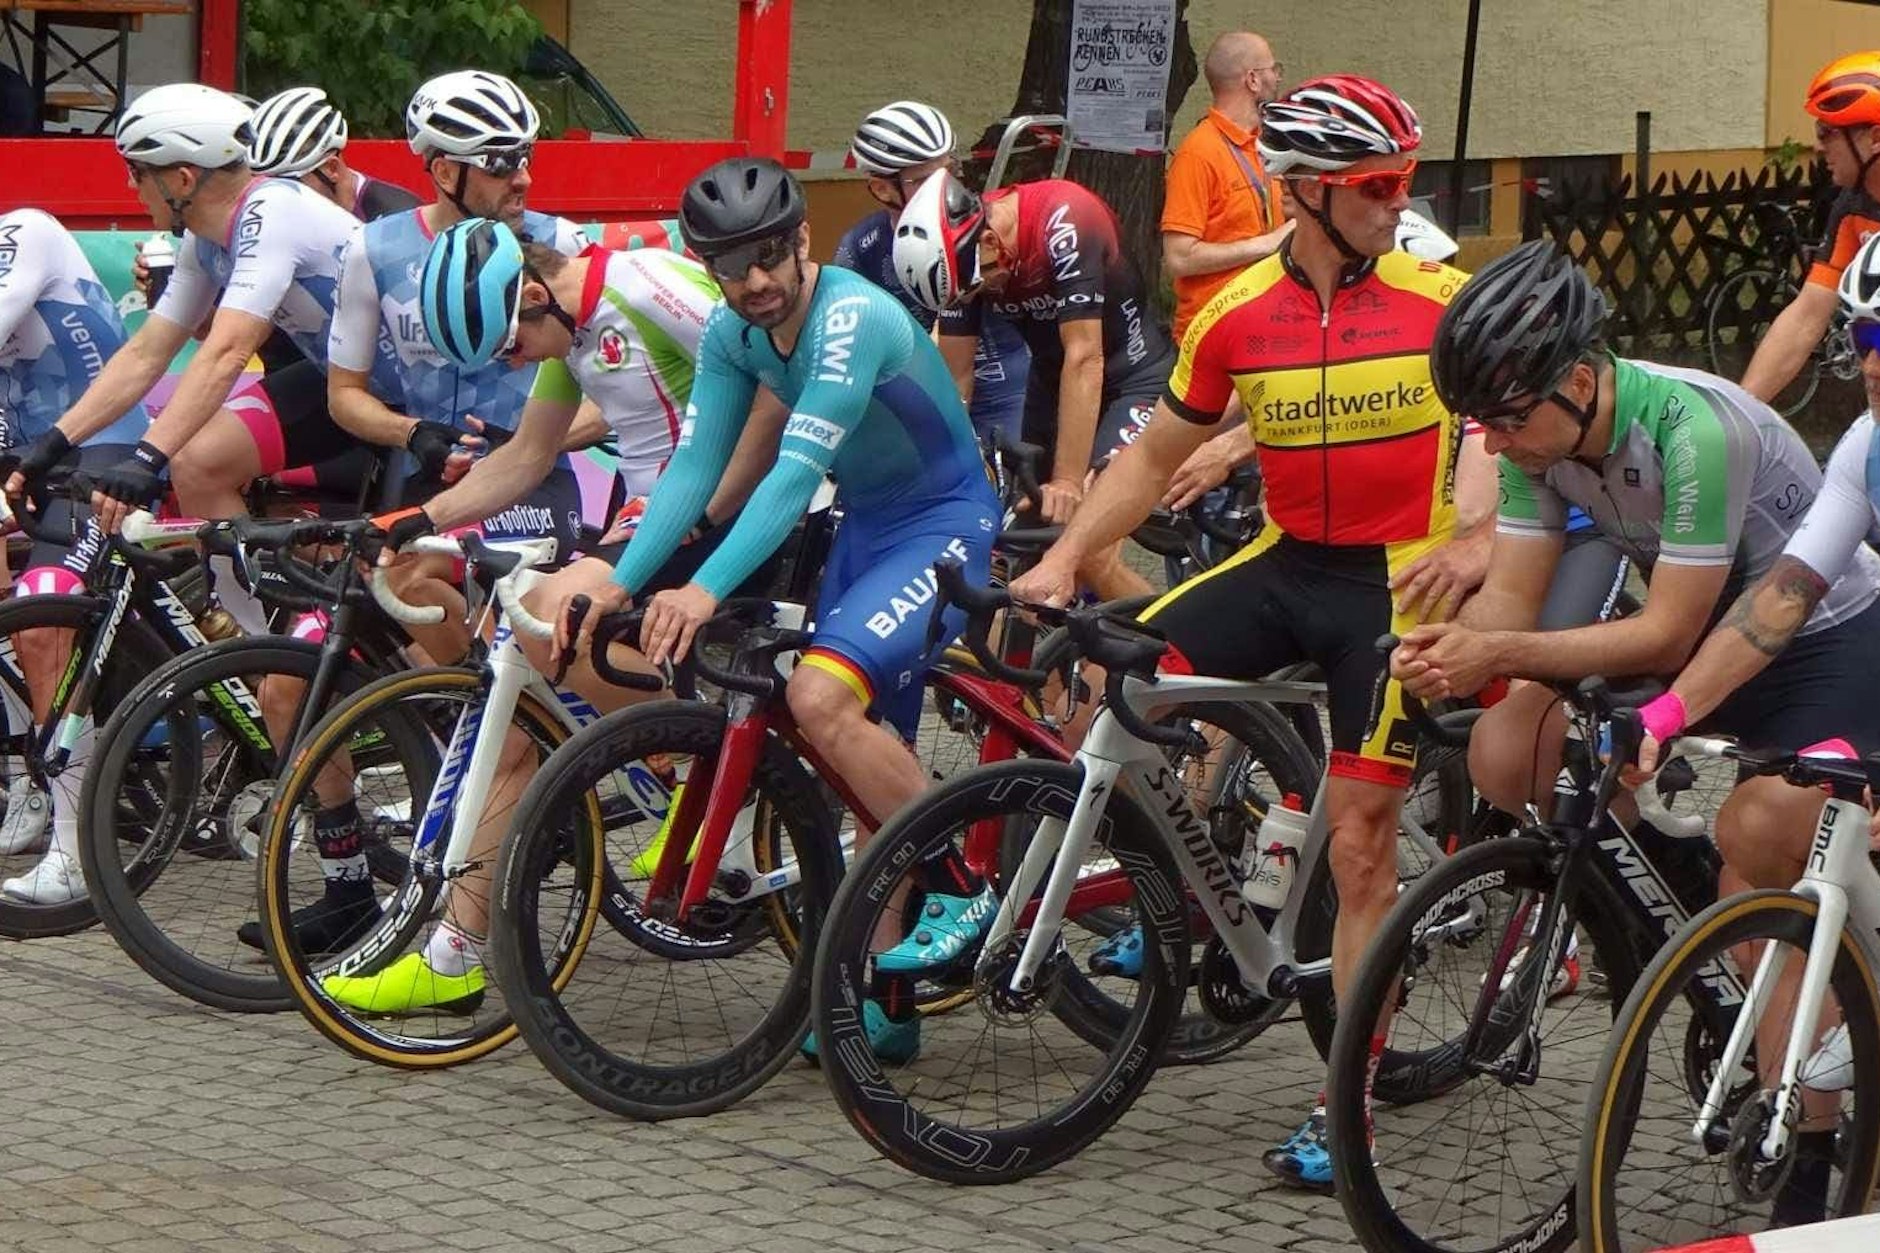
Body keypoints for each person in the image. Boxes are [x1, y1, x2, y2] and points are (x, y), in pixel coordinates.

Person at [1007, 74, 1473, 1191]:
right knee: (1117, 679)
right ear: (1306, 190)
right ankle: (1194, 895)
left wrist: (1487, 545)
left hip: (1395, 582)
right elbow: (1154, 456)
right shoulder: (1235, 313)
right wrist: (1064, 560)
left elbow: (1513, 436)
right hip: (1284, 562)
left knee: (1359, 845)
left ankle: (1345, 1103)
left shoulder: (1442, 303)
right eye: (1376, 184)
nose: (1396, 200)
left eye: (1402, 181)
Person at [545, 158, 1000, 1059]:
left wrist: (703, 587)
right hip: (869, 528)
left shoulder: (848, 319)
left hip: (943, 524)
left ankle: (959, 883)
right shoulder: (732, 335)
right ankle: (887, 999)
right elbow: (696, 467)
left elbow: (792, 477)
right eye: (730, 265)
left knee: (818, 697)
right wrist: (623, 578)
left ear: (801, 241)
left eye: (767, 257)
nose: (753, 280)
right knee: (862, 757)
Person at [43, 82, 396, 536]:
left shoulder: (273, 211)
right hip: (346, 383)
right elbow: (147, 352)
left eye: (137, 171)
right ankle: (247, 586)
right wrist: (53, 443)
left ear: (182, 179)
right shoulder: (205, 237)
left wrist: (146, 458)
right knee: (197, 463)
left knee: (408, 566)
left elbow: (227, 352)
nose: (131, 185)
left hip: (423, 395)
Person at [893, 169, 1171, 600]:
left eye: (977, 285)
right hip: (1054, 385)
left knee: (1083, 550)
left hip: (1132, 378)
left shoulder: (1067, 220)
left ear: (990, 241)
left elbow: (1085, 358)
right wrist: (929, 474)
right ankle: (1048, 644)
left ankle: (1170, 638)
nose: (977, 297)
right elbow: (956, 380)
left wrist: (1068, 481)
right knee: (1022, 553)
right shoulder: (965, 261)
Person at [0, 209, 153, 902]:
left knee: (40, 617)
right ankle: (25, 775)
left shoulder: (24, 230)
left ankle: (76, 850)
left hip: (101, 449)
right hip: (27, 458)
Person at [834, 100, 1030, 446]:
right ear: (882, 189)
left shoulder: (982, 229)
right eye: (926, 179)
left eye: (950, 170)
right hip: (918, 400)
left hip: (1005, 393)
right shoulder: (861, 249)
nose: (946, 187)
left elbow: (957, 373)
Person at [1740, 51, 1880, 404]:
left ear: (1876, 138)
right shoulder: (1853, 207)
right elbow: (1807, 316)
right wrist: (1739, 411)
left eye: (1827, 132)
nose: (1817, 146)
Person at [1161, 30, 1293, 344]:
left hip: (1264, 324)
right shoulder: (1199, 153)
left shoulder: (1266, 144)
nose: (1277, 77)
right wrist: (1267, 244)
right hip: (1212, 334)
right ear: (1253, 80)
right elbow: (1179, 258)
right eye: (1273, 69)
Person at [246, 85, 418, 220]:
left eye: (289, 184)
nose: (273, 197)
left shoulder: (396, 216)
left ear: (331, 168)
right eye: (261, 184)